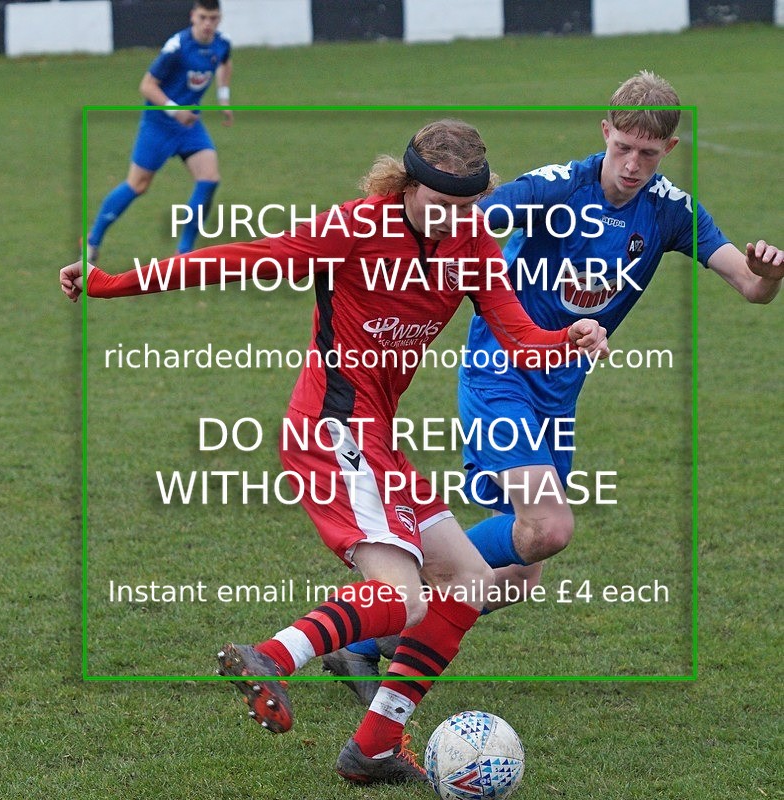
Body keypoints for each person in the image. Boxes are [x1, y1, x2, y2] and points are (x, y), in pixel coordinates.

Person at [61, 119, 607, 784]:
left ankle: (373, 747)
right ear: (406, 186)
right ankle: (270, 655)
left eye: (465, 208)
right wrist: (112, 282)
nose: (450, 222)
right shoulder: (355, 227)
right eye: (438, 208)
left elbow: (519, 336)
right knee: (402, 599)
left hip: (378, 439)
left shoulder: (472, 243)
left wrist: (568, 338)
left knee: (468, 584)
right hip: (333, 430)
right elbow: (238, 258)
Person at [323, 70, 784, 705]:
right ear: (605, 132)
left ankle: (367, 640)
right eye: (622, 147)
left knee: (519, 572)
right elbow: (465, 219)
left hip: (558, 396)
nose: (631, 164)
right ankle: (374, 600)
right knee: (549, 525)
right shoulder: (554, 188)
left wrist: (767, 273)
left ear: (668, 150)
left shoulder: (672, 212)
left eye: (647, 154)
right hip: (500, 374)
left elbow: (752, 287)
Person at [86, 0, 233, 262]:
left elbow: (225, 63)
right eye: (203, 17)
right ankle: (92, 241)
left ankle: (184, 252)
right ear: (193, 17)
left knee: (209, 178)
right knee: (138, 185)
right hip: (159, 124)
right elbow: (147, 85)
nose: (208, 24)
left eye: (213, 18)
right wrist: (176, 110)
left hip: (189, 126)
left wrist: (223, 97)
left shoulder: (221, 44)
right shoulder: (177, 47)